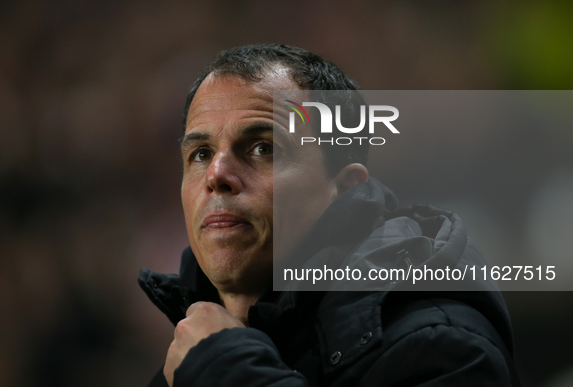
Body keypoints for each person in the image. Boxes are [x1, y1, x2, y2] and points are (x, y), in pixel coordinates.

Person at [138, 43, 520, 386]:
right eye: (201, 154)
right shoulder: (191, 354)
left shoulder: (442, 347)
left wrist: (227, 370)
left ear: (345, 189)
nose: (216, 174)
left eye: (262, 148)